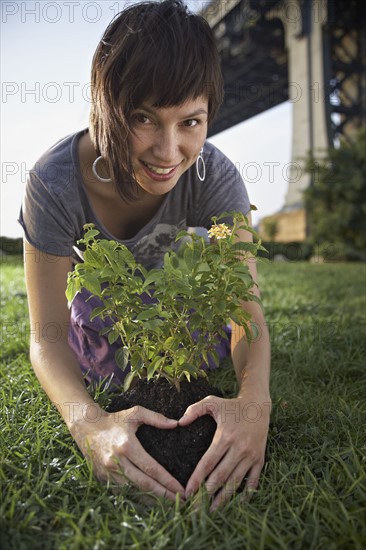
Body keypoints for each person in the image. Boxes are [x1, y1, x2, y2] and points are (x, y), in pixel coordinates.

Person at [20, 0, 271, 510]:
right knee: (100, 354)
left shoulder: (215, 178)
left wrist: (253, 402)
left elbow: (246, 311)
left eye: (191, 122)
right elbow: (46, 337)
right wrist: (88, 423)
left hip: (192, 327)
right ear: (102, 106)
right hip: (108, 327)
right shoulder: (54, 184)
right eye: (143, 118)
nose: (168, 151)